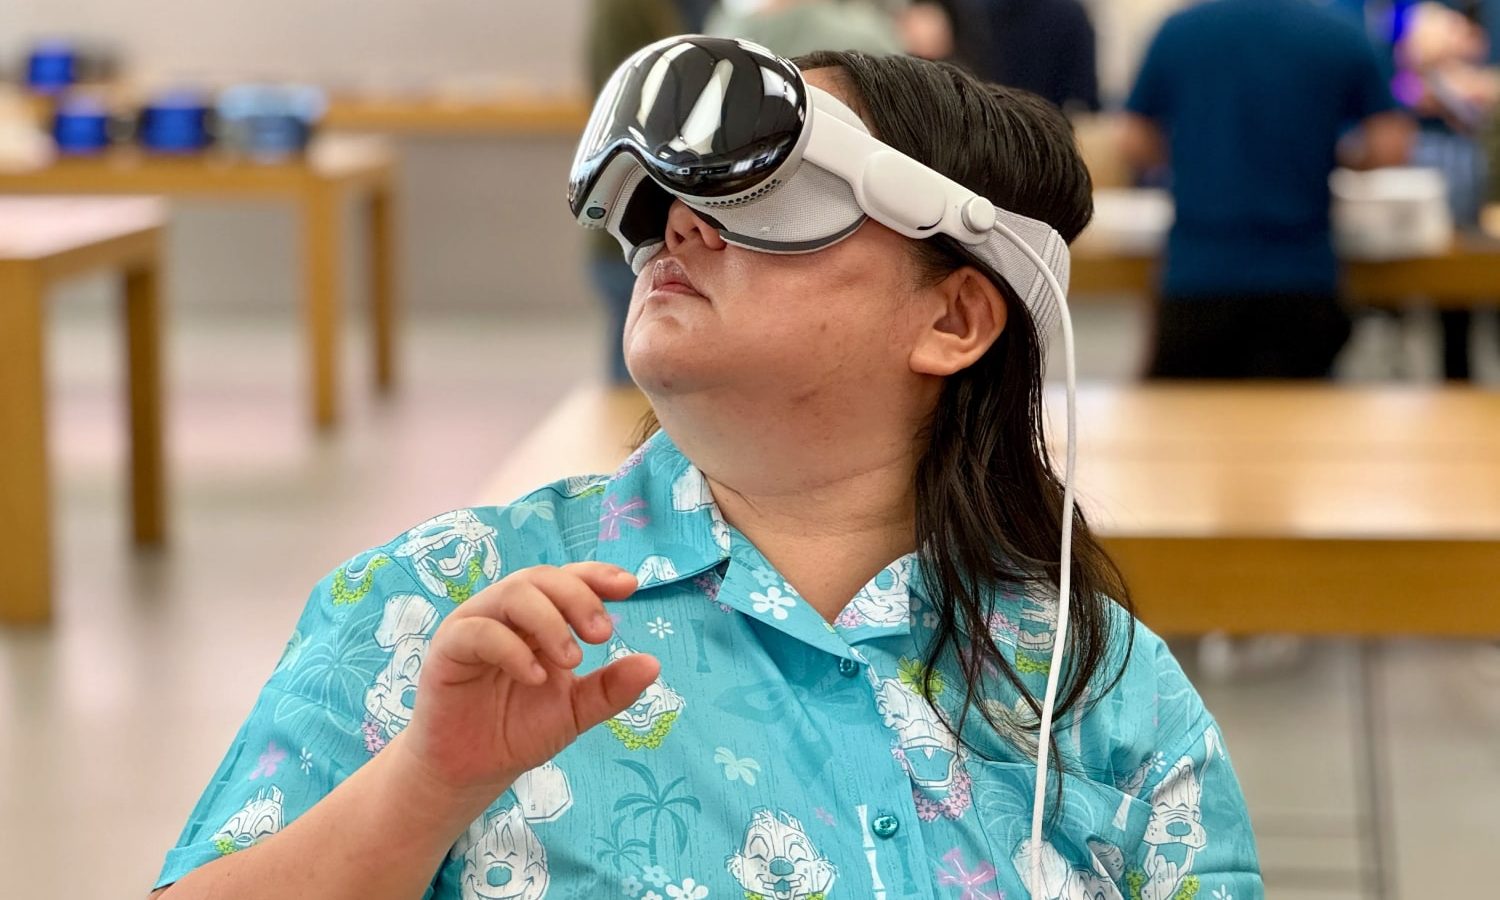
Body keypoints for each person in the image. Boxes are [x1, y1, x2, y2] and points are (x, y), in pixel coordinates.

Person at [149, 42, 1262, 899]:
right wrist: (426, 786)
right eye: (673, 195)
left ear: (955, 316)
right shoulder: (438, 610)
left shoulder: (1091, 681)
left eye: (771, 195)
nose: (683, 224)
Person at [1119, 0, 1415, 379]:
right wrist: (1331, 154)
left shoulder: (1179, 31)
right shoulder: (1338, 33)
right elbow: (1391, 143)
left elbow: (1132, 139)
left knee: (1191, 425)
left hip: (1199, 273)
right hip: (1302, 278)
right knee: (1294, 427)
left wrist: (1198, 156)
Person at [977, 0, 1101, 114]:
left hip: (988, 125)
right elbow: (1084, 102)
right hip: (1053, 126)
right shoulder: (1070, 15)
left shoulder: (972, 12)